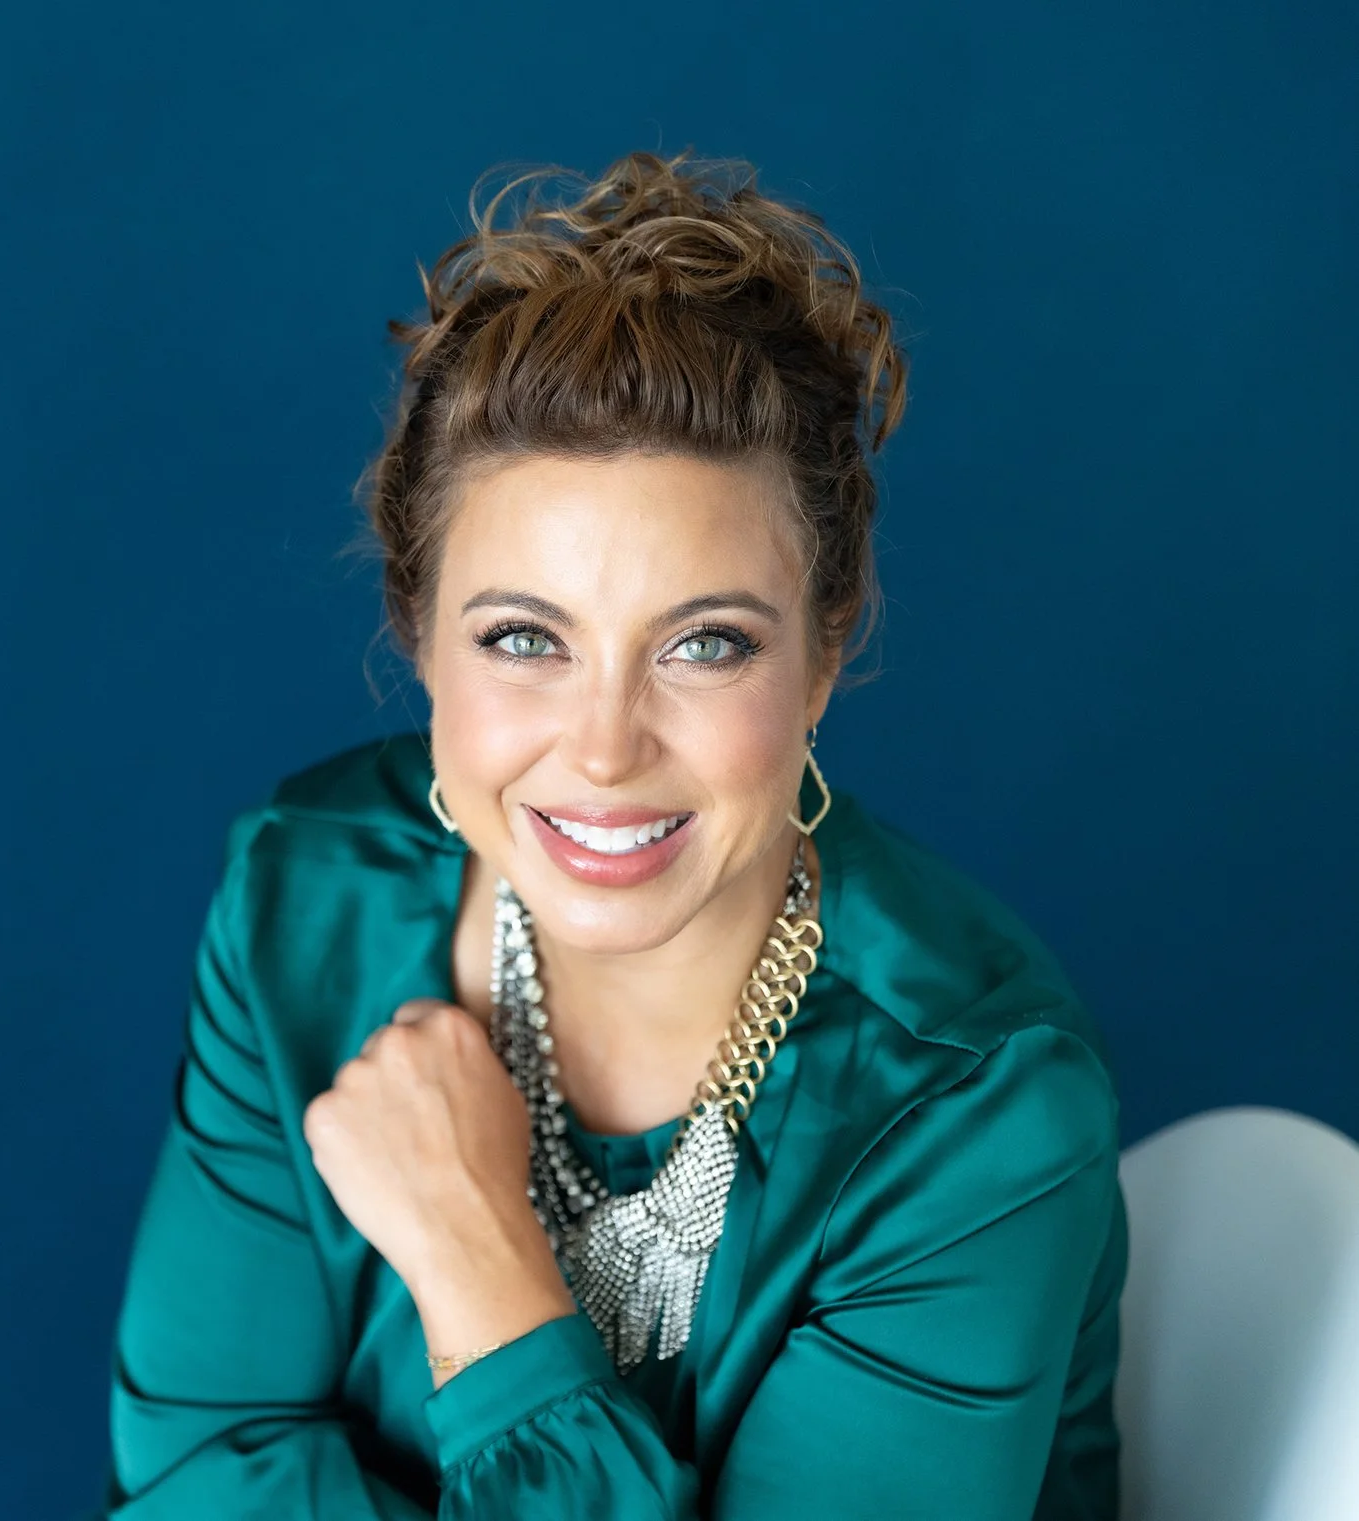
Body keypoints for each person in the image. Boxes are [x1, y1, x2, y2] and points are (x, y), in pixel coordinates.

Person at [94, 149, 1126, 1518]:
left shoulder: (976, 1107)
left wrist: (478, 1257)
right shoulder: (305, 905)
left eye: (705, 645)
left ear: (823, 658)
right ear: (419, 643)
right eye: (525, 639)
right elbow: (191, 1472)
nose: (600, 749)